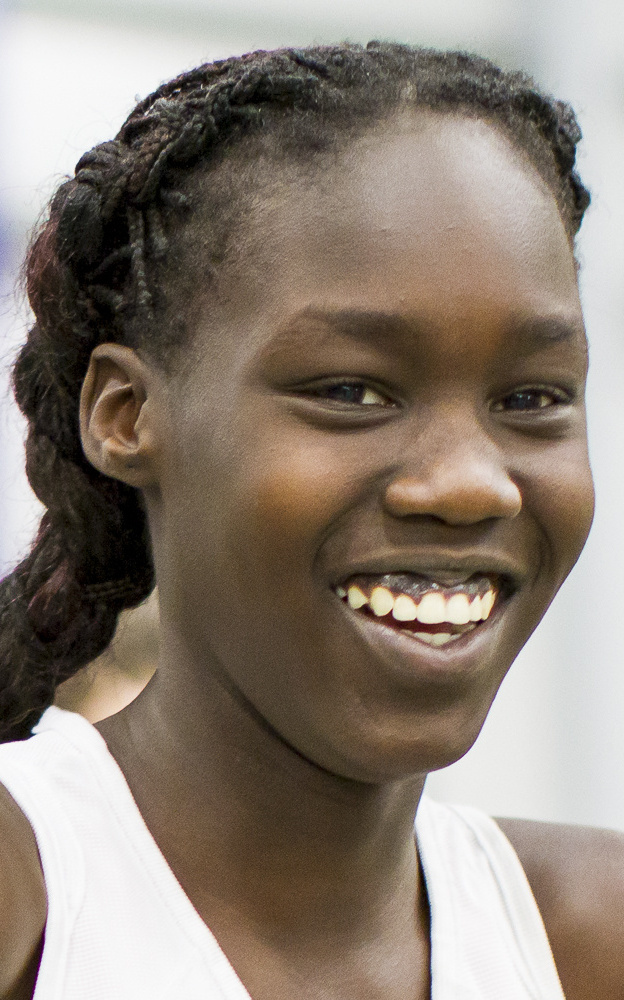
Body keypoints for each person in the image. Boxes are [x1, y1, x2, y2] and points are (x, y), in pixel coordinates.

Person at [0, 41, 621, 1000]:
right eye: (350, 390)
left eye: (533, 398)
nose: (471, 485)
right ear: (126, 414)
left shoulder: (588, 937)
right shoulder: (34, 901)